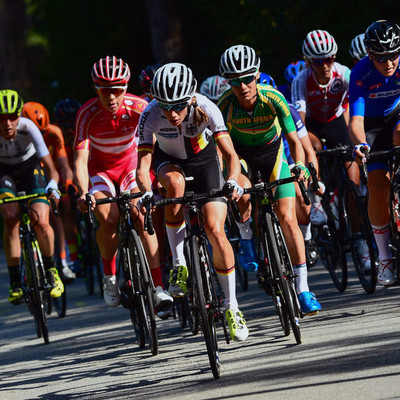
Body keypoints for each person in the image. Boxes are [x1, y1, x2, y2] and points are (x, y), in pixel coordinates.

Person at [136, 62, 249, 341]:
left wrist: (233, 180)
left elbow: (231, 154)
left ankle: (232, 307)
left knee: (215, 229)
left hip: (205, 162)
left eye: (178, 106)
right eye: (165, 106)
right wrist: (145, 190)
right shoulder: (150, 113)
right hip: (170, 162)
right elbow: (142, 164)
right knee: (173, 185)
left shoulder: (207, 107)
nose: (172, 114)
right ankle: (179, 264)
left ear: (189, 98)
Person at [218, 44, 321, 315]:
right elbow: (223, 152)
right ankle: (247, 237)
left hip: (273, 156)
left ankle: (303, 289)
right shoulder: (225, 106)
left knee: (288, 218)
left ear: (257, 74)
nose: (242, 86)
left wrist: (299, 164)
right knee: (243, 194)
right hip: (241, 159)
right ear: (227, 82)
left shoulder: (273, 97)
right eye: (234, 81)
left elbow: (294, 140)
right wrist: (231, 178)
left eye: (248, 78)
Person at [73, 55, 173, 313]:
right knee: (108, 218)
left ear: (126, 87)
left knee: (142, 215)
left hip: (130, 166)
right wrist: (84, 193)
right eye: (105, 90)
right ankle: (110, 276)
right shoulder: (88, 113)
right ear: (97, 89)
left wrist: (161, 177)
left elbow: (162, 142)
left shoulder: (140, 107)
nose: (112, 97)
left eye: (117, 90)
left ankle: (158, 286)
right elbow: (81, 159)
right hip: (101, 170)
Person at [292, 30, 371, 271]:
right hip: (313, 126)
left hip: (336, 122)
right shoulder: (301, 80)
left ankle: (361, 244)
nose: (325, 65)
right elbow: (300, 122)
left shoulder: (344, 73)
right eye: (318, 61)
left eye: (329, 59)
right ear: (309, 61)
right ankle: (316, 194)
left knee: (353, 184)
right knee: (313, 146)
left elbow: (355, 105)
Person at [0, 90, 64, 304]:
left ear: (19, 115)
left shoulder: (29, 128)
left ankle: (52, 270)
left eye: (12, 117)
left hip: (30, 169)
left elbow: (51, 167)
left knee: (41, 221)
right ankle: (16, 282)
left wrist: (54, 184)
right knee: (10, 217)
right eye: (1, 118)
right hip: (4, 173)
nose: (7, 123)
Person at [350, 20, 400, 286]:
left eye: (393, 54)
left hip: (397, 117)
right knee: (378, 187)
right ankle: (384, 258)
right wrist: (360, 145)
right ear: (370, 55)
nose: (388, 62)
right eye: (381, 57)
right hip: (371, 126)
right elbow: (355, 121)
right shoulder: (361, 73)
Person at [21, 101, 76, 280]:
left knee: (56, 211)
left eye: (43, 131)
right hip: (28, 174)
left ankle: (63, 260)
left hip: (50, 173)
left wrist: (67, 181)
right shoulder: (18, 134)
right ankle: (28, 257)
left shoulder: (53, 132)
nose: (41, 134)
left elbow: (63, 165)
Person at [53, 98, 83, 273]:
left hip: (82, 174)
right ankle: (73, 256)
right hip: (64, 178)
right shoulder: (56, 135)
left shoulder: (84, 129)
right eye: (67, 125)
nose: (71, 129)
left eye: (74, 124)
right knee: (66, 207)